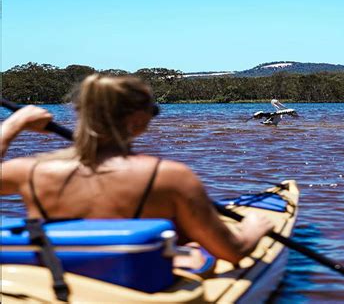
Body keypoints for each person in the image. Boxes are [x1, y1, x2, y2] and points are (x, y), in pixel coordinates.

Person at [1, 74, 273, 266]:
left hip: (60, 277)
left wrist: (12, 126)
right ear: (139, 119)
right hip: (133, 281)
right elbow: (233, 252)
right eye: (153, 110)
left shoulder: (30, 171)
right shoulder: (169, 176)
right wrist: (253, 228)